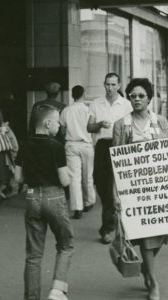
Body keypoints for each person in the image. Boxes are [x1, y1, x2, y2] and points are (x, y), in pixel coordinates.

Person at [113, 78, 168, 300]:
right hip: (133, 189)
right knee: (146, 235)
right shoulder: (122, 124)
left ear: (149, 98)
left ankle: (147, 269)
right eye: (133, 96)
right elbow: (115, 160)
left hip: (159, 187)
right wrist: (115, 192)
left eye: (141, 96)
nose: (136, 99)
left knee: (162, 234)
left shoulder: (161, 122)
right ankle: (153, 282)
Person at [14, 105, 74, 300]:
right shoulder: (56, 146)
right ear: (48, 123)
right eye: (57, 122)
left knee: (33, 255)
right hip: (54, 196)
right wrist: (71, 176)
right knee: (65, 245)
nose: (59, 125)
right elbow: (64, 180)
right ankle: (57, 290)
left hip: (32, 197)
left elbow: (18, 178)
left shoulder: (24, 144)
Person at [87, 72, 133, 244]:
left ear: (119, 85)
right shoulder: (96, 104)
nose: (110, 88)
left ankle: (111, 227)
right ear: (104, 84)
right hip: (102, 147)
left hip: (120, 146)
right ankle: (111, 223)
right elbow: (89, 127)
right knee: (103, 186)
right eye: (107, 84)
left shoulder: (126, 105)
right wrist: (99, 124)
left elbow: (132, 128)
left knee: (120, 186)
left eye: (114, 84)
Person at [60, 85, 96, 220]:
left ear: (72, 95)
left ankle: (77, 208)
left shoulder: (66, 110)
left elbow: (62, 131)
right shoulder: (88, 110)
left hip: (71, 145)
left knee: (74, 178)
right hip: (86, 145)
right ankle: (89, 202)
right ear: (84, 94)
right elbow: (92, 128)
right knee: (88, 175)